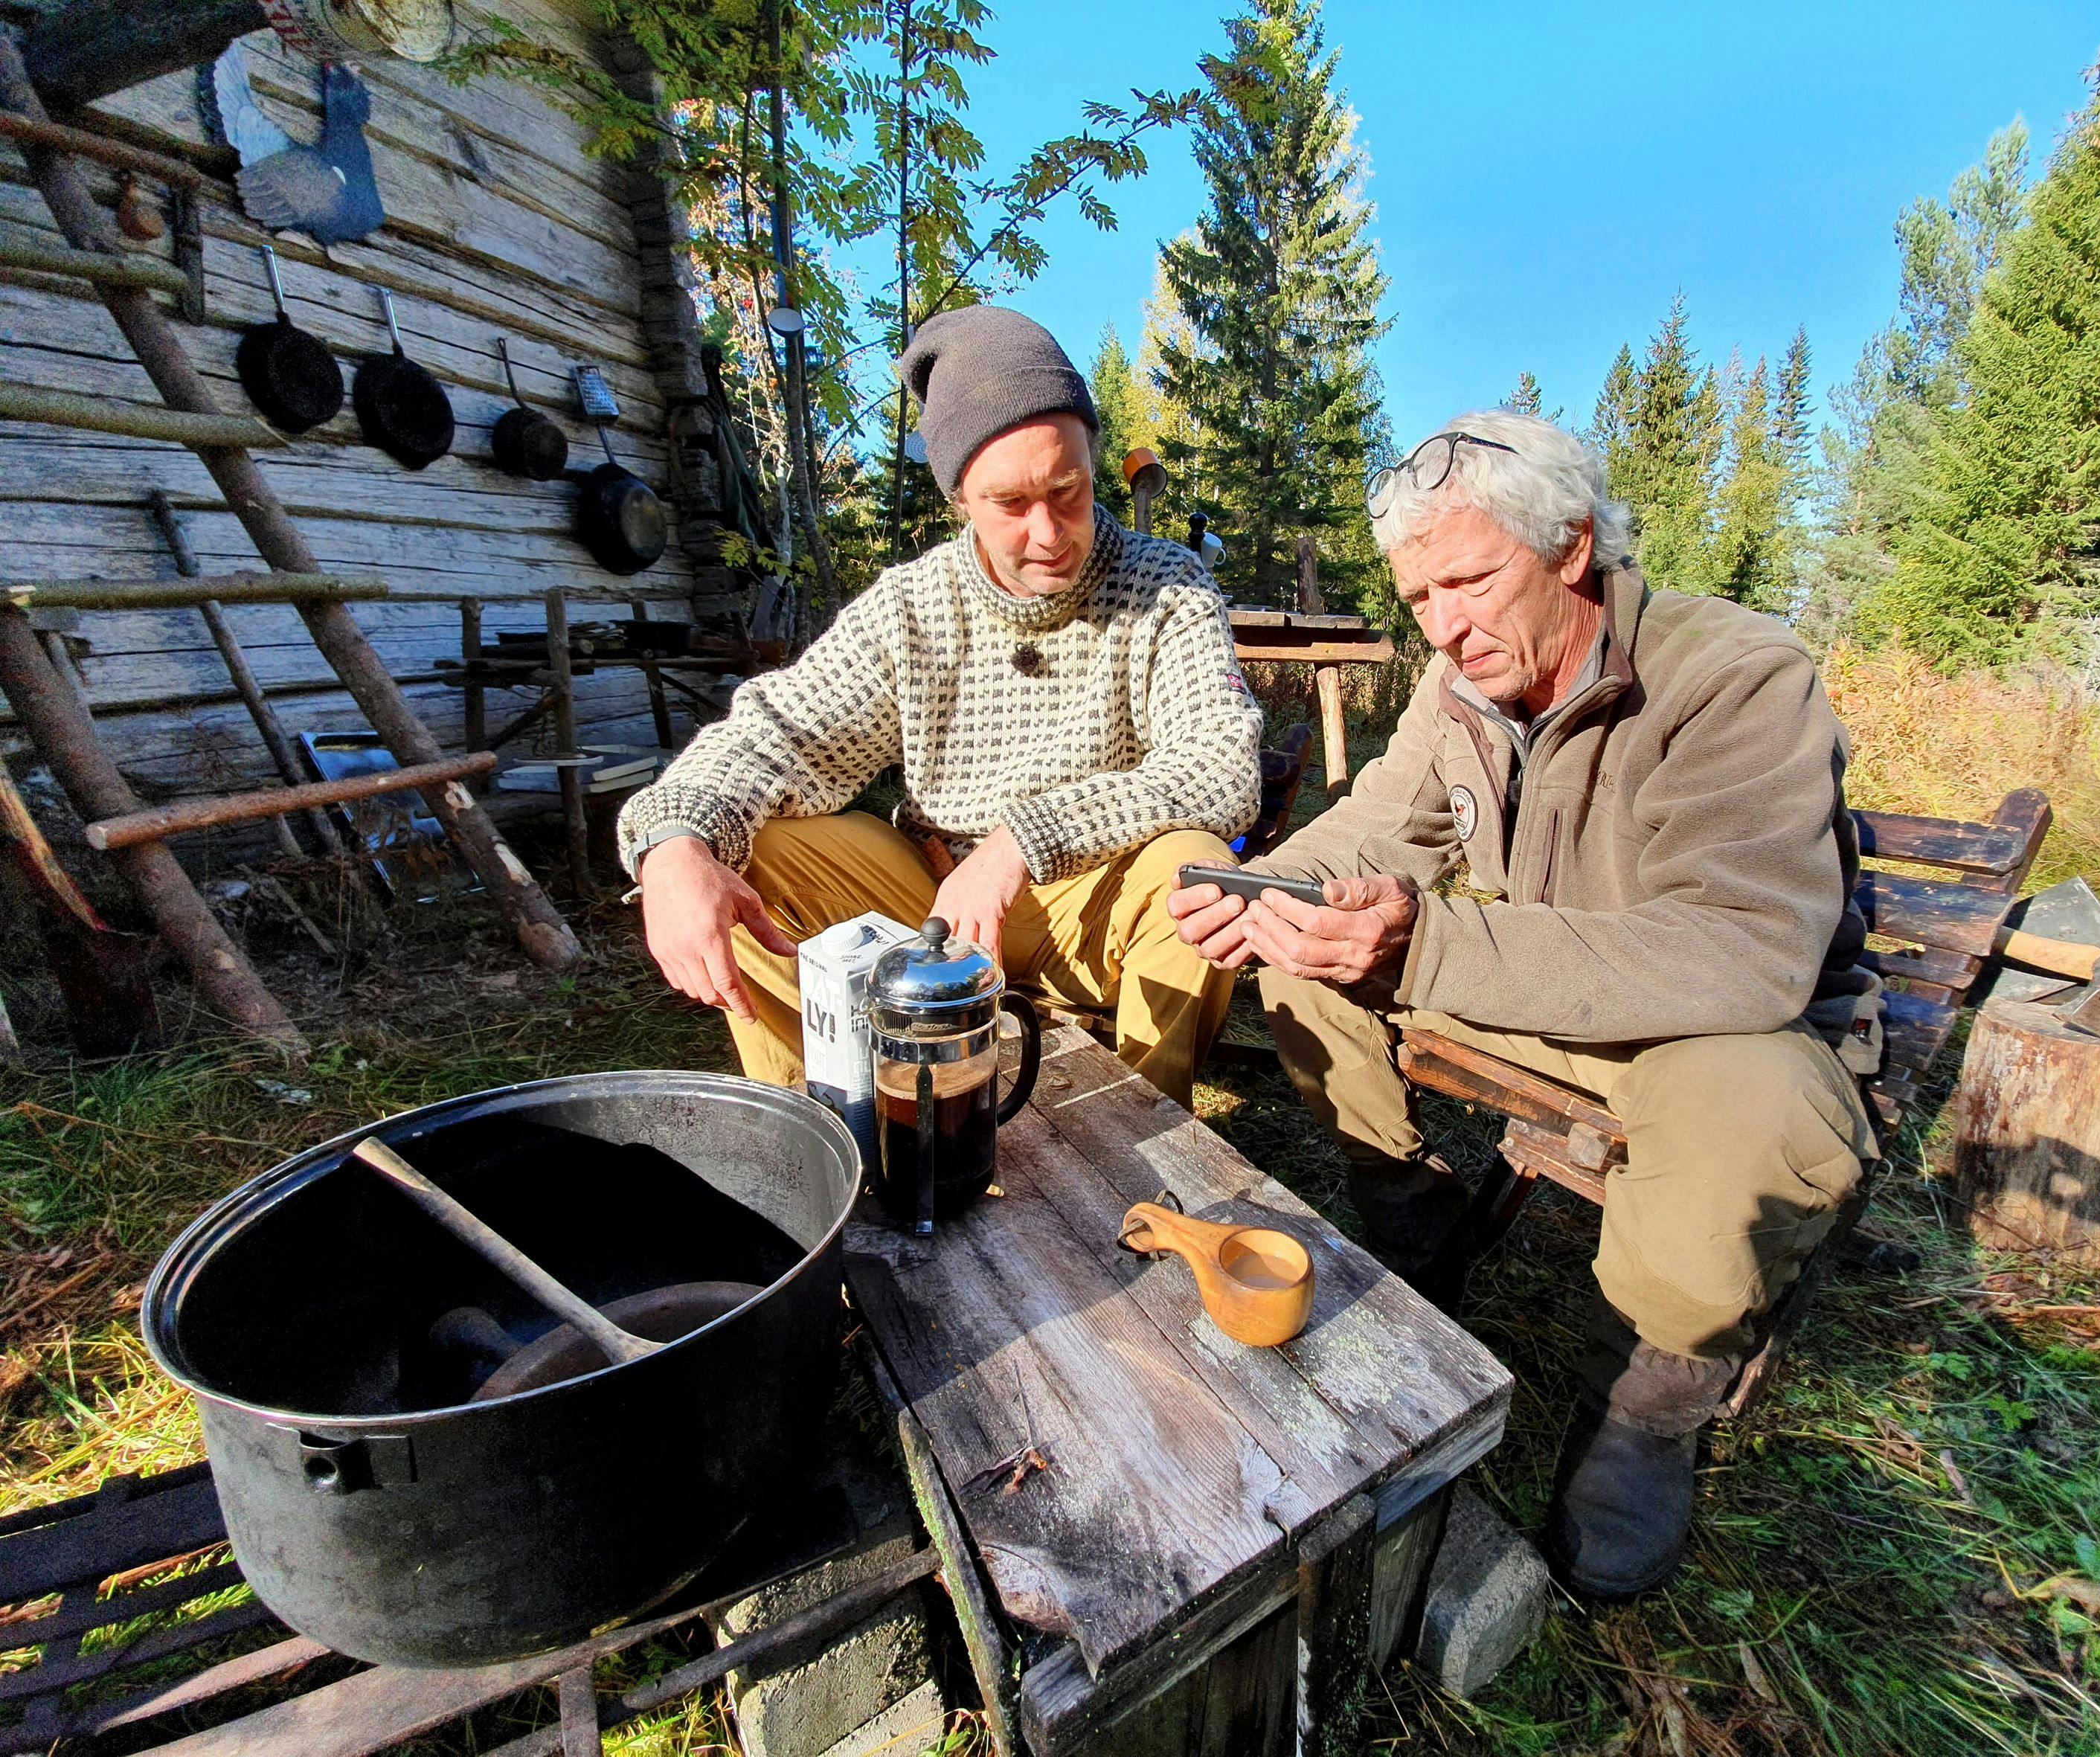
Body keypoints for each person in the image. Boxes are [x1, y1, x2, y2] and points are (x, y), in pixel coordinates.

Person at [1167, 409, 1881, 1597]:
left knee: (1752, 1110)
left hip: (1712, 1025)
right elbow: (1375, 826)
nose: (1443, 624)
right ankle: (1412, 1220)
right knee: (1304, 958)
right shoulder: (1459, 692)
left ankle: (1648, 1405)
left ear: (1570, 548)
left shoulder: (1732, 674)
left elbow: (1746, 951)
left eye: (1469, 580)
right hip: (1550, 989)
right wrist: (1272, 893)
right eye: (1418, 599)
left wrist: (1434, 942)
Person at [621, 306, 1262, 1111]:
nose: (1050, 532)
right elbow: (773, 736)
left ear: (1094, 459)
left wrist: (1022, 842)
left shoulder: (1166, 585)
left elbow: (1220, 772)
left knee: (1198, 874)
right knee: (744, 854)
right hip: (926, 899)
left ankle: (1135, 1138)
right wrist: (674, 844)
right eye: (1009, 503)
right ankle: (829, 1128)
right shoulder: (913, 608)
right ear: (960, 494)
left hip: (1094, 904)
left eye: (1069, 489)